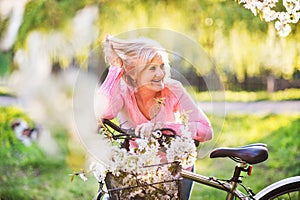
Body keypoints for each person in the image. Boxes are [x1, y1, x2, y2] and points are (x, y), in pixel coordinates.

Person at [99, 34, 213, 200]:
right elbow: (104, 111)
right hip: (140, 170)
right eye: (152, 68)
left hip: (175, 170)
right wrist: (116, 68)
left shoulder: (173, 89)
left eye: (162, 66)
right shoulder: (124, 92)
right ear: (133, 73)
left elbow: (206, 131)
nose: (160, 73)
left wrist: (165, 128)